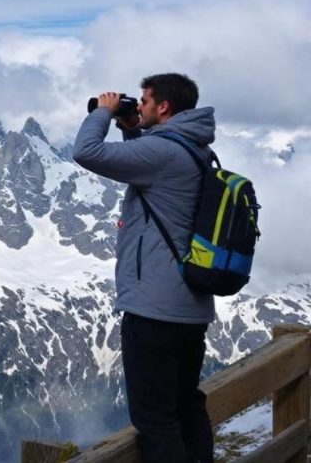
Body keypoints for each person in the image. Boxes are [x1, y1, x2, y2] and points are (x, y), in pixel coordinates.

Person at [72, 73, 215, 463]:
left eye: (145, 100)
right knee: (187, 405)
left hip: (154, 310)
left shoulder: (164, 152)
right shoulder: (193, 147)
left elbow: (86, 151)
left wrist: (104, 111)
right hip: (188, 307)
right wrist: (132, 127)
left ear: (163, 106)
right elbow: (149, 167)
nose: (139, 104)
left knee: (156, 420)